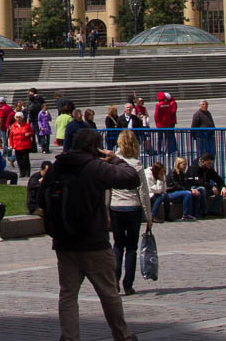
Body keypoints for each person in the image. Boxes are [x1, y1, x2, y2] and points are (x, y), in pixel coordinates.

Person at [38, 129, 140, 341]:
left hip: (64, 242)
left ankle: (69, 337)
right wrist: (116, 159)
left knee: (68, 294)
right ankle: (123, 335)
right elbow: (131, 178)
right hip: (93, 242)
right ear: (94, 147)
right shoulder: (95, 167)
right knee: (108, 293)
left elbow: (41, 200)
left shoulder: (56, 167)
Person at [107, 130, 153, 296]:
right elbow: (143, 192)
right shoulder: (136, 164)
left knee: (118, 245)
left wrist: (106, 211)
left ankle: (114, 281)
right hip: (133, 207)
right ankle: (128, 284)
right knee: (131, 248)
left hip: (116, 207)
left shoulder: (113, 163)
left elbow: (108, 189)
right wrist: (148, 216)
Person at [165, 157, 201, 221]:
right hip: (171, 193)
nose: (185, 166)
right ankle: (185, 215)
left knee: (197, 193)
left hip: (180, 192)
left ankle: (196, 214)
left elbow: (185, 184)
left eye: (186, 164)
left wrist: (192, 189)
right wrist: (189, 190)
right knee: (188, 193)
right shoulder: (173, 173)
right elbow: (177, 186)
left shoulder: (182, 174)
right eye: (184, 164)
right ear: (178, 164)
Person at [8, 112, 36, 177]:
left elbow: (32, 132)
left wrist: (28, 134)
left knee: (26, 159)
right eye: (17, 117)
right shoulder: (13, 126)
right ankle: (22, 172)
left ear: (22, 118)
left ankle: (27, 172)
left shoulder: (26, 125)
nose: (18, 119)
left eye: (19, 117)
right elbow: (11, 137)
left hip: (25, 145)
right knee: (19, 160)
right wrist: (11, 145)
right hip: (17, 146)